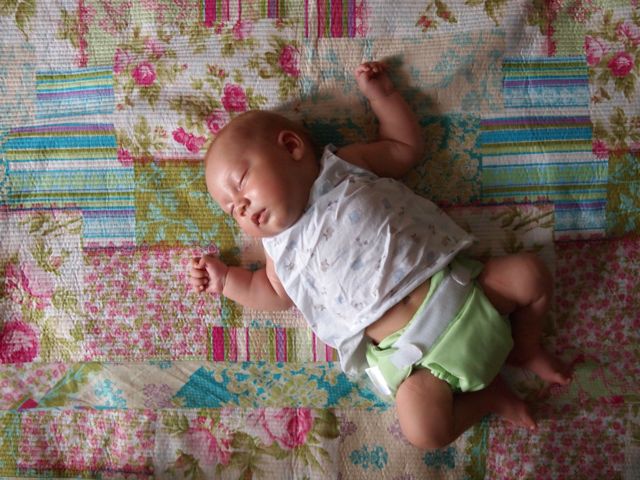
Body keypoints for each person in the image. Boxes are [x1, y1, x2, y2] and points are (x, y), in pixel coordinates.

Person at [188, 61, 573, 450]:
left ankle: (526, 346)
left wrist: (383, 96)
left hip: (468, 293)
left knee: (530, 273)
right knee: (425, 431)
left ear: (291, 147)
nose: (240, 207)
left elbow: (403, 148)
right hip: (417, 360)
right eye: (231, 209)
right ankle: (487, 400)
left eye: (241, 184)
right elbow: (272, 293)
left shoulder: (344, 168)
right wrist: (226, 281)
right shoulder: (280, 252)